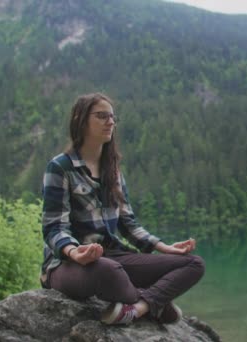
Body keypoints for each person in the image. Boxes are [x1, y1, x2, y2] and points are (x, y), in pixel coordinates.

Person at [40, 92, 205, 325]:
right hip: (67, 264)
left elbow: (128, 224)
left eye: (113, 117)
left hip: (113, 255)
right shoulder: (60, 167)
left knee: (193, 264)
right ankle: (157, 303)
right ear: (80, 118)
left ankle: (140, 307)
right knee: (110, 271)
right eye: (102, 116)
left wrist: (162, 246)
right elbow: (53, 228)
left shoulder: (113, 171)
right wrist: (75, 252)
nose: (110, 122)